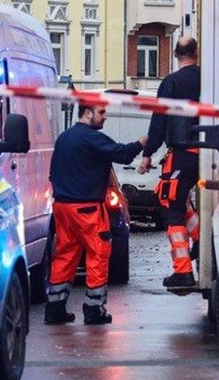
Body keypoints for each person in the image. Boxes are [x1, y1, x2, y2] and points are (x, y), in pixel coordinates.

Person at [46, 103, 147, 325]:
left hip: (63, 207)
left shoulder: (64, 138)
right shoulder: (92, 138)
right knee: (98, 254)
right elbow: (122, 154)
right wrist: (142, 143)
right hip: (87, 209)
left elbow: (53, 173)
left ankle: (55, 308)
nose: (105, 117)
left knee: (65, 254)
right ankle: (94, 310)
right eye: (101, 112)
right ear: (87, 113)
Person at [138, 37, 202, 292]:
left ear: (175, 54)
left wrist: (148, 153)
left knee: (171, 205)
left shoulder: (171, 82)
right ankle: (205, 243)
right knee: (183, 204)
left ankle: (183, 271)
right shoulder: (209, 78)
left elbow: (159, 120)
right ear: (196, 53)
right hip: (210, 153)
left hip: (182, 152)